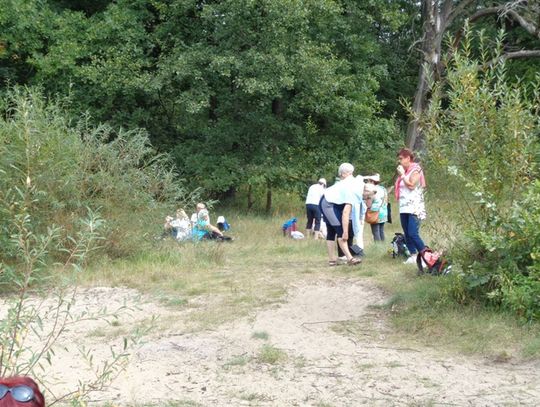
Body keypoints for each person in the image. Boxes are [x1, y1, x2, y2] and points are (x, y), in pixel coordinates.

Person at [319, 163, 363, 266]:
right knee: (340, 230)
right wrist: (345, 232)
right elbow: (345, 213)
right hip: (328, 204)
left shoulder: (351, 183)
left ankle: (332, 260)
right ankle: (350, 258)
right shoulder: (354, 189)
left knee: (331, 231)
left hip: (328, 201)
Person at [395, 148, 427, 264]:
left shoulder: (415, 170)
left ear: (408, 158)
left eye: (401, 158)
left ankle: (425, 257)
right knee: (407, 233)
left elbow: (412, 185)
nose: (399, 161)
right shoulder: (406, 171)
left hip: (414, 206)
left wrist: (403, 175)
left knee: (413, 233)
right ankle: (413, 256)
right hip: (404, 207)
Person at [365, 174, 388, 242]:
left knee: (375, 232)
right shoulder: (383, 189)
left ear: (372, 181)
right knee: (381, 231)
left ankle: (378, 247)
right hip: (383, 212)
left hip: (374, 213)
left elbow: (369, 205)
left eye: (369, 181)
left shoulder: (372, 190)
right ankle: (383, 246)